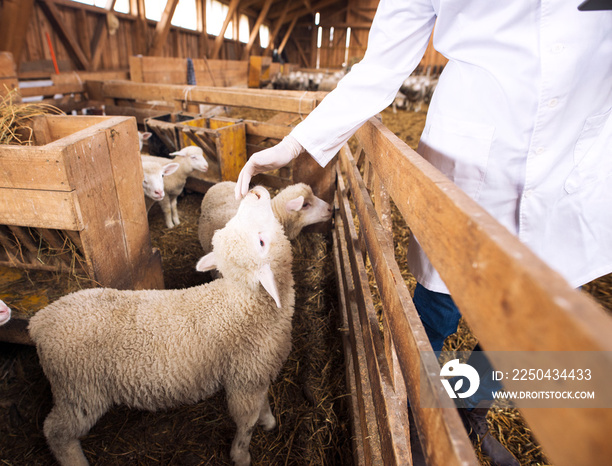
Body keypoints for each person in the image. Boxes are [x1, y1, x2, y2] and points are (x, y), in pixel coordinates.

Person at [235, 1, 612, 465]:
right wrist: (296, 142)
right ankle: (418, 416)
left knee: (527, 327)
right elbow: (383, 62)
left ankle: (471, 407)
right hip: (475, 158)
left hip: (578, 150)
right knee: (437, 309)